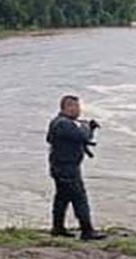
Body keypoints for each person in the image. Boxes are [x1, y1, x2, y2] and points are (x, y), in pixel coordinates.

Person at [46, 95, 107, 241]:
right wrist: (88, 127)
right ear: (67, 107)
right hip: (66, 168)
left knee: (62, 198)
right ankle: (87, 231)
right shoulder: (63, 124)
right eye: (75, 107)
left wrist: (85, 127)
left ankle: (57, 228)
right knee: (79, 198)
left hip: (61, 166)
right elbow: (83, 136)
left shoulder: (59, 122)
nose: (78, 110)